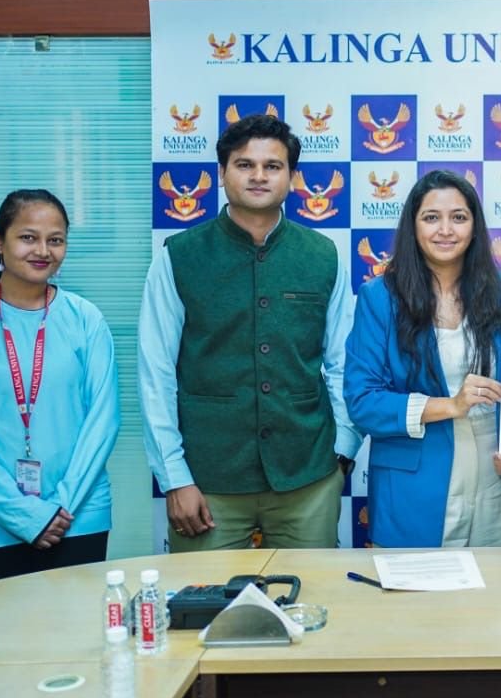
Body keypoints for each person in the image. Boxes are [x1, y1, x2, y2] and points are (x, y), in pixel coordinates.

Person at [139, 114, 360, 551]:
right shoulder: (178, 257)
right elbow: (156, 373)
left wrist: (343, 452)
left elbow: (342, 363)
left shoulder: (323, 256)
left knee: (313, 594)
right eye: (244, 165)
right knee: (204, 596)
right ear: (222, 173)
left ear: (292, 178)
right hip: (208, 482)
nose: (259, 176)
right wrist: (175, 477)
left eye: (273, 166)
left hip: (308, 477)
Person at [0, 189, 120, 588]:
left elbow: (102, 422)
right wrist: (25, 515)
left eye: (56, 240)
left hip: (75, 516)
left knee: (74, 629)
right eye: (28, 237)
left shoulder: (86, 319)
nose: (43, 251)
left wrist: (59, 507)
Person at [344, 169, 501, 547]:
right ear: (413, 227)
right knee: (419, 587)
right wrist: (451, 405)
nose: (445, 230)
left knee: (496, 583)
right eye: (431, 217)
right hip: (415, 486)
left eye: (459, 217)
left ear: (475, 227)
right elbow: (362, 402)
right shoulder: (379, 297)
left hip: (497, 473)